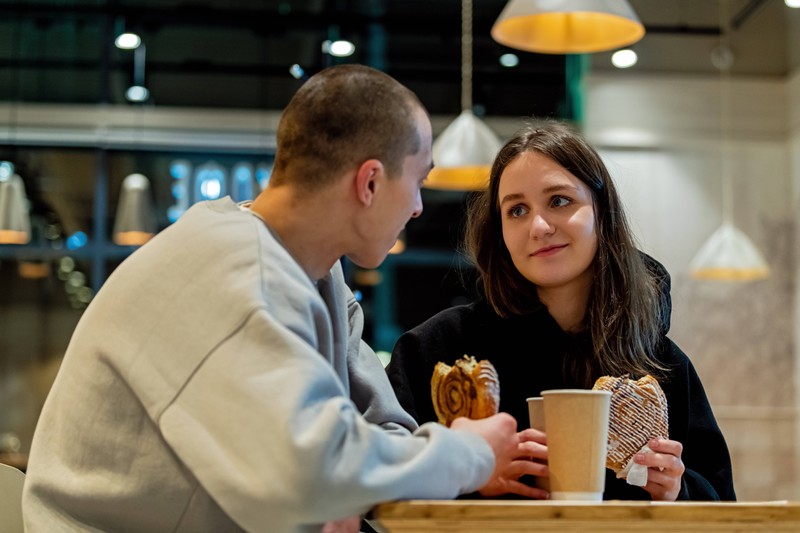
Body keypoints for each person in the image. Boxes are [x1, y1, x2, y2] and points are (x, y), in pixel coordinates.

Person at [22, 64, 521, 533]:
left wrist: (360, 485)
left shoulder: (319, 277)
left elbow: (374, 427)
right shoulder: (228, 267)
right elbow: (305, 475)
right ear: (369, 182)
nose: (417, 207)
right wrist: (467, 454)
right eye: (419, 180)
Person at [386, 121, 736, 502]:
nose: (538, 226)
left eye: (559, 201)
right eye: (516, 210)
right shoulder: (440, 351)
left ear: (602, 212)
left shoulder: (659, 364)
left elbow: (721, 507)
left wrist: (676, 491)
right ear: (499, 232)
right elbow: (379, 491)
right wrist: (461, 475)